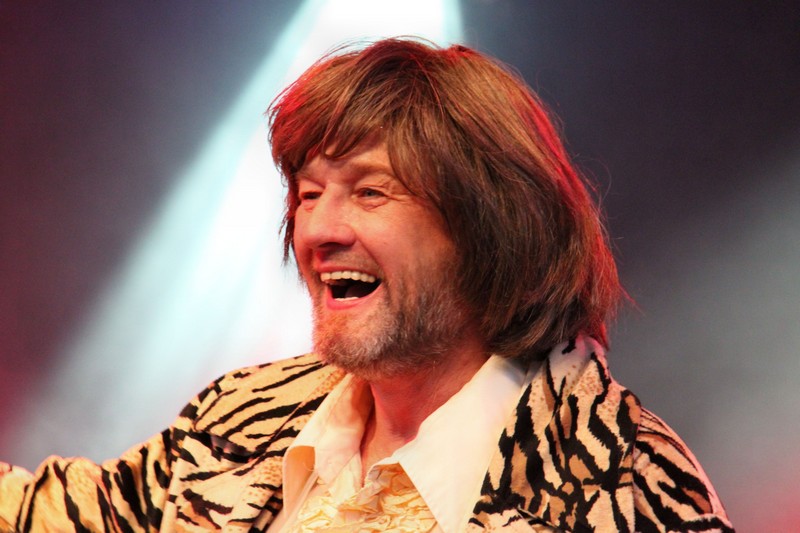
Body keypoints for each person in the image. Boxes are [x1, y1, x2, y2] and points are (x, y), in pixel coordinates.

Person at [0, 38, 733, 532]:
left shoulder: (621, 486)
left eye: (370, 191)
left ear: (490, 225)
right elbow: (51, 513)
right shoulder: (242, 422)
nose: (318, 229)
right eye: (308, 193)